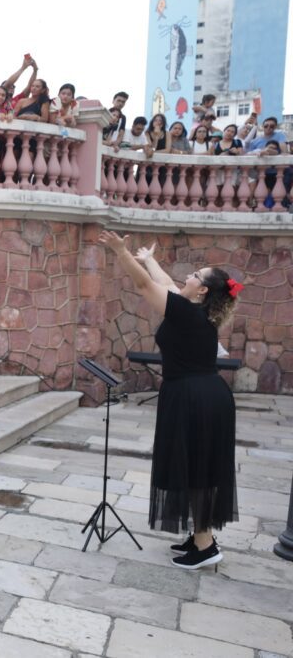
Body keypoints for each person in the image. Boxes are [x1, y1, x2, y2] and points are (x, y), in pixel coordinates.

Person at [98, 231, 239, 569]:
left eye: (194, 276)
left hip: (194, 397)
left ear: (202, 290)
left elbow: (146, 286)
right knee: (196, 464)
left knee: (194, 468)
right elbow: (165, 284)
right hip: (203, 395)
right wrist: (149, 259)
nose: (187, 278)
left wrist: (121, 252)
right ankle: (201, 536)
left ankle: (205, 546)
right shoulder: (193, 310)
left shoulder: (186, 313)